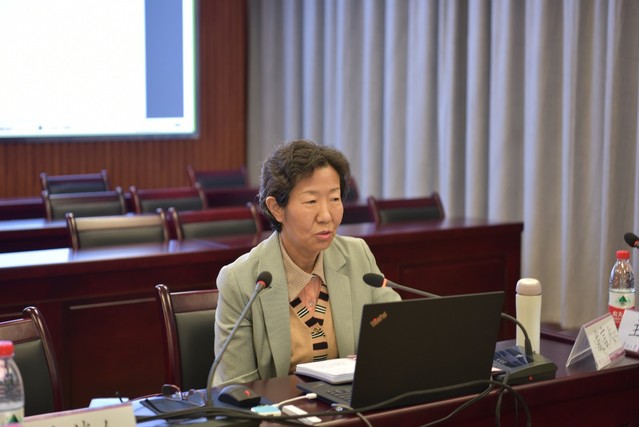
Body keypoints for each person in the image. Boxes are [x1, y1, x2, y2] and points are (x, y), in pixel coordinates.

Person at [213, 139, 400, 386]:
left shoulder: (357, 255)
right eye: (311, 201)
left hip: (348, 402)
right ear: (276, 208)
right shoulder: (241, 280)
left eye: (334, 199)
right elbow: (237, 386)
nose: (326, 215)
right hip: (278, 407)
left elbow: (394, 328)